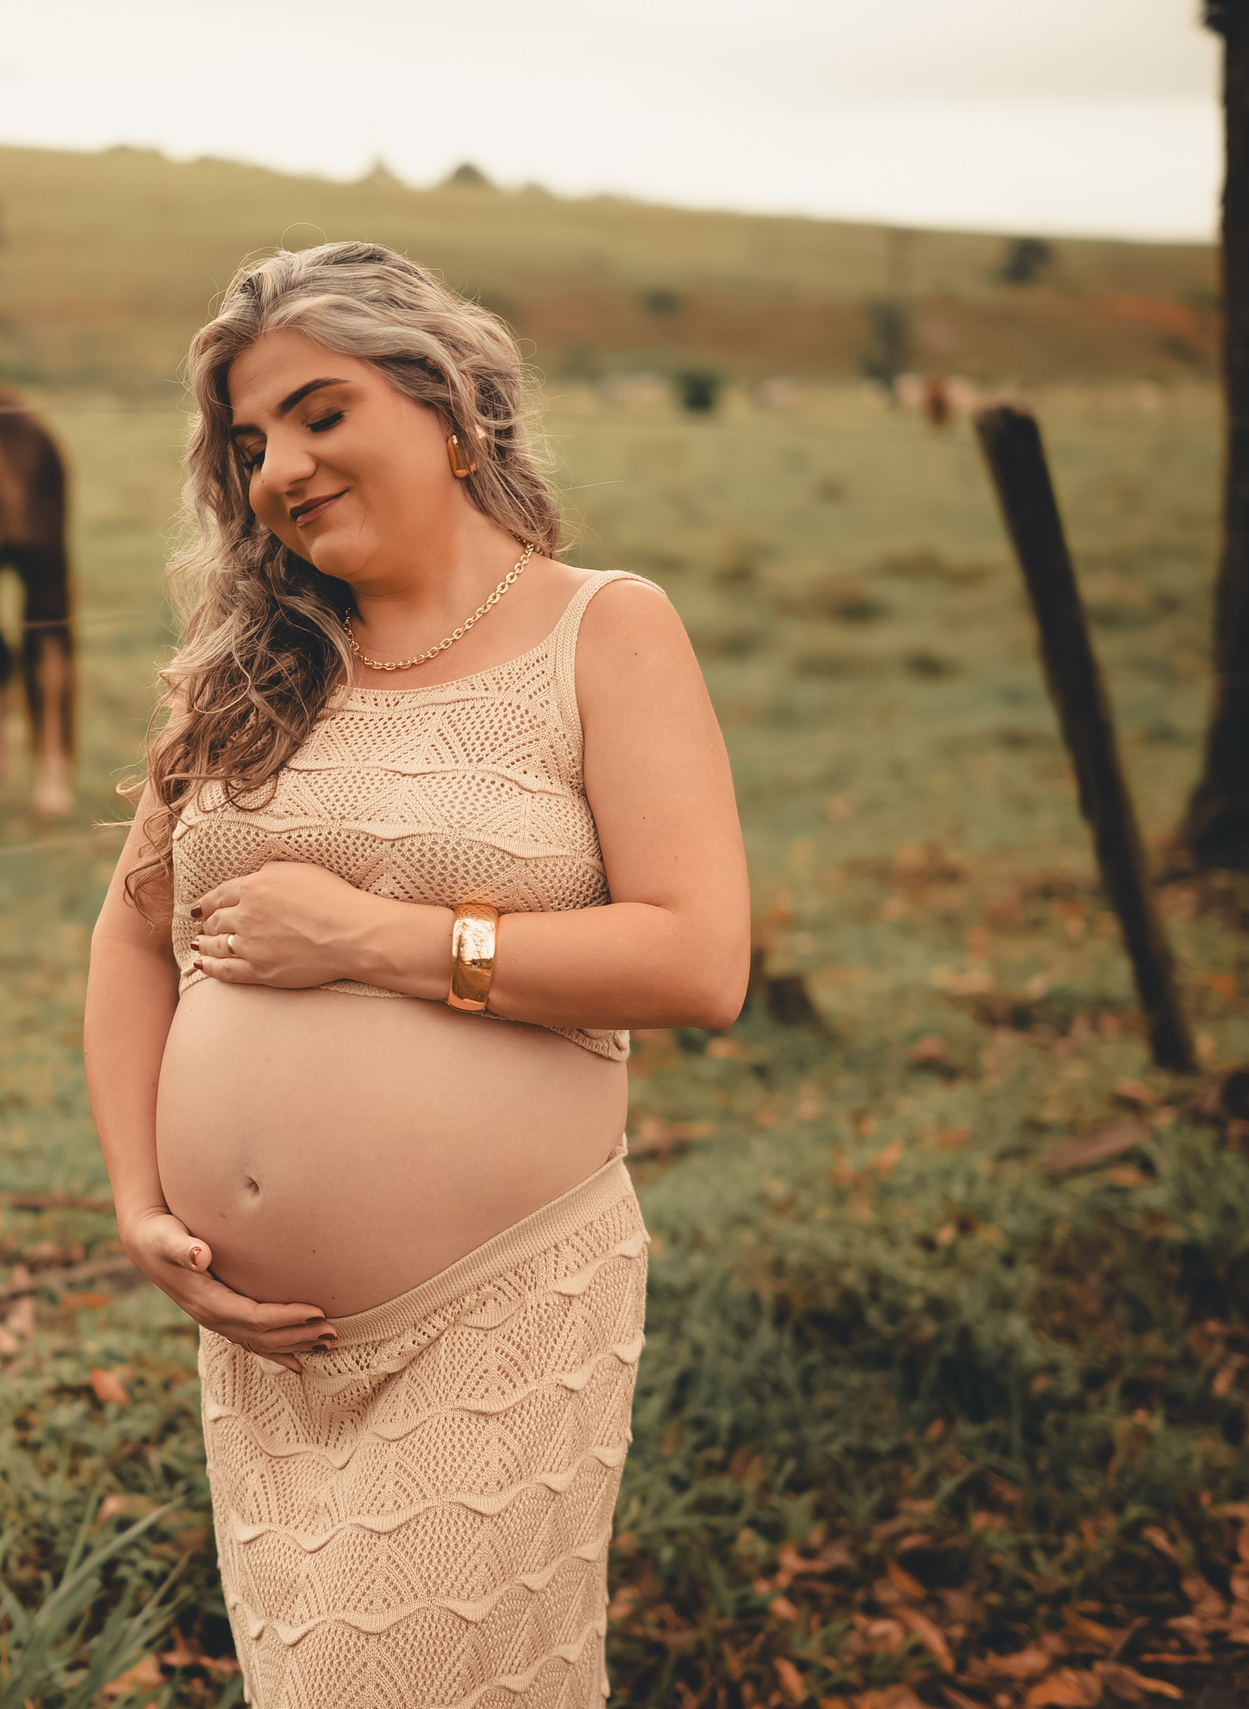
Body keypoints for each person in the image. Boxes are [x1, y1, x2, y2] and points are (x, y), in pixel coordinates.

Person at [82, 241, 750, 1708]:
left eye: (322, 414)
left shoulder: (602, 629)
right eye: (251, 442)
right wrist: (140, 1201)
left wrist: (380, 941)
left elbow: (698, 958)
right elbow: (133, 936)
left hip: (500, 1314)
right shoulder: (244, 666)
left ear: (449, 413)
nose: (279, 469)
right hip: (265, 1358)